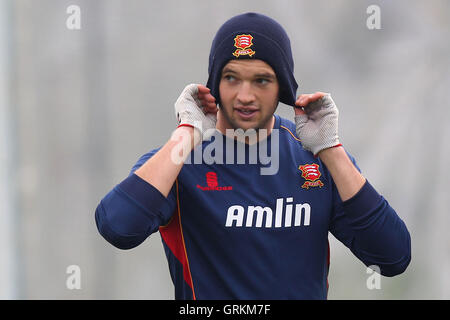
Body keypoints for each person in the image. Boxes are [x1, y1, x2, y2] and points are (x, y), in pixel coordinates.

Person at [95, 12, 411, 300]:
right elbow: (118, 228)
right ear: (215, 84)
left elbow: (392, 257)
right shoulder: (178, 161)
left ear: (282, 88)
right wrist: (186, 133)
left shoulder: (317, 159)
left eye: (261, 80)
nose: (245, 96)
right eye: (231, 77)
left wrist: (332, 150)